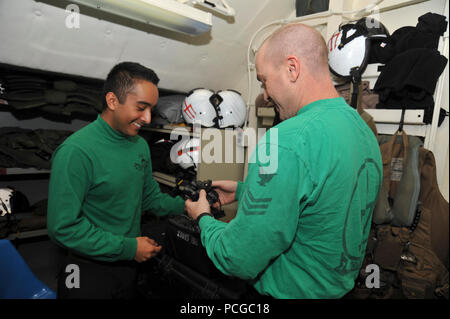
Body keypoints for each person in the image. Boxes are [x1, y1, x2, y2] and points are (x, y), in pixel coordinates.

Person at [185, 23, 383, 299]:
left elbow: (237, 257)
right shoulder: (363, 130)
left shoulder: (285, 140)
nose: (265, 94)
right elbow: (330, 203)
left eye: (264, 80)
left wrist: (203, 218)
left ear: (292, 68)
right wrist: (245, 192)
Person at [47, 62, 186, 299]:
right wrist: (130, 248)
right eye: (141, 107)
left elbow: (149, 198)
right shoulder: (76, 151)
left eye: (151, 109)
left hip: (127, 265)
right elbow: (63, 228)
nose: (147, 118)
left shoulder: (140, 145)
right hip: (85, 270)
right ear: (112, 101)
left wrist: (188, 206)